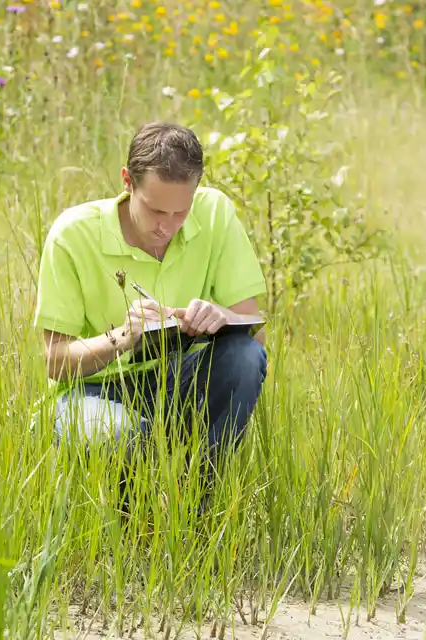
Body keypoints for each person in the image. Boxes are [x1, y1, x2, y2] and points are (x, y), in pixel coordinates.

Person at [34, 121, 268, 506]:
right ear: (128, 181)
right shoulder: (72, 234)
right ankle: (137, 518)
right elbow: (55, 362)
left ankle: (196, 501)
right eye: (156, 210)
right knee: (120, 434)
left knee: (244, 357)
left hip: (178, 378)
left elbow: (256, 340)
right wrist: (122, 338)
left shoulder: (215, 213)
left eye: (181, 212)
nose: (167, 227)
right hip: (93, 393)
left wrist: (218, 317)